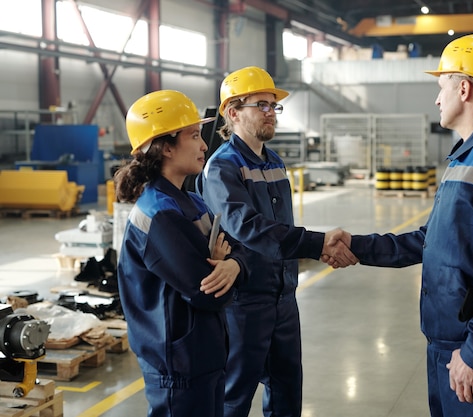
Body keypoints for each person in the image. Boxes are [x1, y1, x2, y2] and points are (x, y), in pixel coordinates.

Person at [328, 34, 473, 417]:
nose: (437, 98)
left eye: (441, 86)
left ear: (463, 88)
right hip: (448, 342)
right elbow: (433, 240)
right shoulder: (470, 154)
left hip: (471, 349)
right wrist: (357, 246)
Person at [200, 66, 357, 417]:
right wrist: (316, 244)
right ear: (233, 112)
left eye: (274, 106)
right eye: (263, 105)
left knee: (287, 389)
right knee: (234, 395)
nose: (272, 113)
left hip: (284, 297)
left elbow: (281, 227)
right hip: (245, 302)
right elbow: (248, 227)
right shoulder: (222, 168)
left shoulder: (275, 163)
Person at [115, 89, 247, 417]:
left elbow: (239, 249)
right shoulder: (160, 213)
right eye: (193, 135)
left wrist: (231, 265)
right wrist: (228, 266)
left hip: (203, 357)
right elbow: (209, 294)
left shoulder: (191, 201)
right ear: (166, 147)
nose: (204, 145)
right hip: (179, 369)